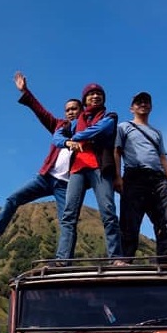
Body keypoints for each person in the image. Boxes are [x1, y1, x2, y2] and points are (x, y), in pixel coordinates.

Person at [0, 72, 82, 241]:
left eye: (74, 109)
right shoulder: (59, 126)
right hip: (45, 177)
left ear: (81, 110)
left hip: (66, 185)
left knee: (67, 222)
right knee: (13, 198)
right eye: (67, 110)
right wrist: (26, 91)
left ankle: (64, 259)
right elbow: (41, 111)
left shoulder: (87, 130)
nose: (70, 112)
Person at [51, 83, 123, 264]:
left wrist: (75, 138)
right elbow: (57, 138)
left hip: (99, 167)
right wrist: (67, 143)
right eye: (91, 94)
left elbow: (101, 129)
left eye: (98, 93)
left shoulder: (109, 116)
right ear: (85, 99)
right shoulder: (74, 123)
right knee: (69, 215)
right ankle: (62, 259)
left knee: (108, 211)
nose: (95, 96)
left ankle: (115, 257)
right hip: (77, 169)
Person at [114, 91, 167, 261]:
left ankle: (165, 258)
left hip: (158, 179)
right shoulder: (124, 127)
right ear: (131, 108)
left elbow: (163, 157)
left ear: (151, 106)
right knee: (130, 221)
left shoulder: (156, 133)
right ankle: (125, 259)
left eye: (146, 102)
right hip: (134, 176)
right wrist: (117, 177)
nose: (143, 104)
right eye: (138, 102)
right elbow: (117, 152)